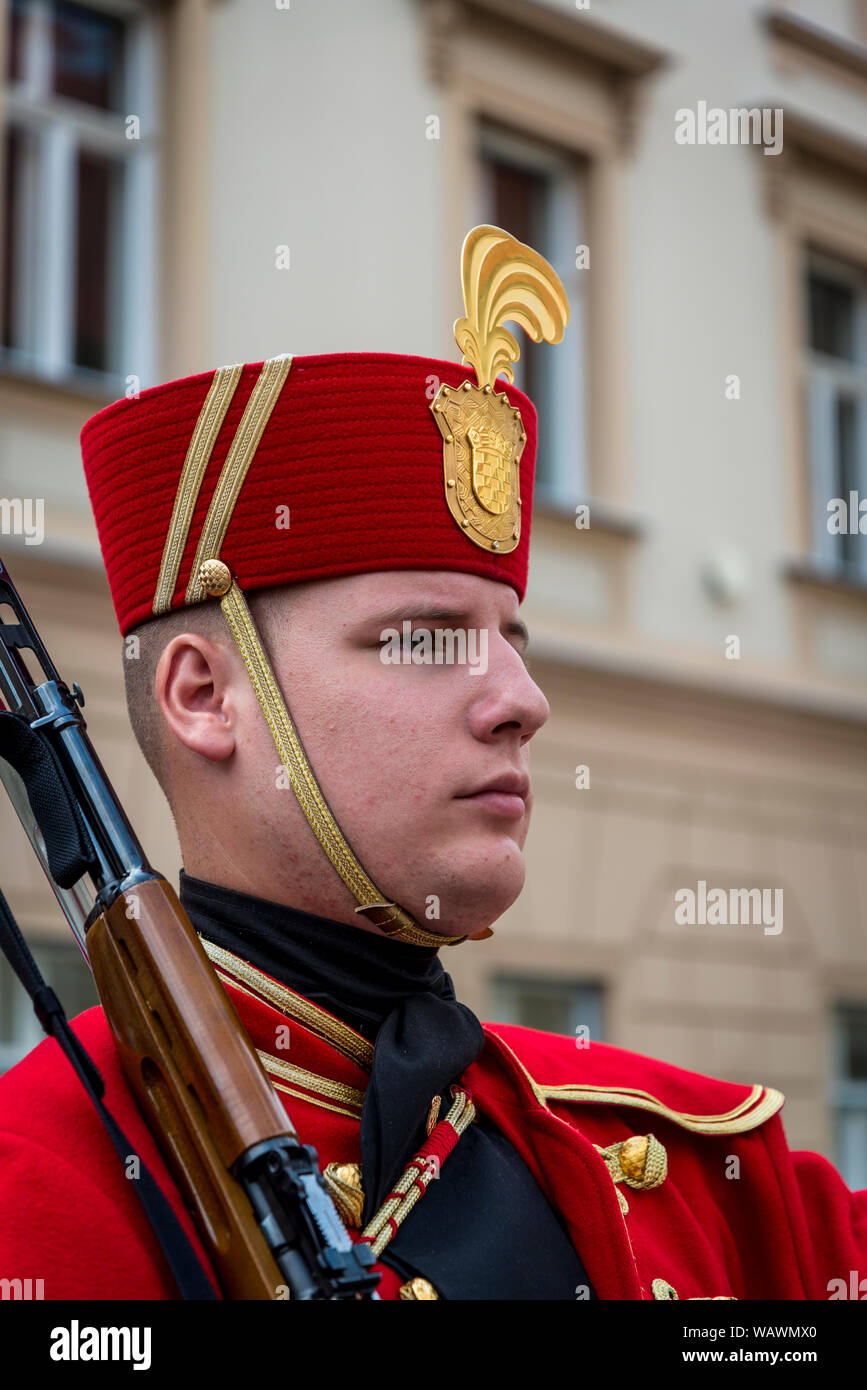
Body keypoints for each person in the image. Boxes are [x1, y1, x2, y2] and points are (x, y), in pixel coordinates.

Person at [0, 226, 863, 1302]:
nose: (522, 703)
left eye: (516, 640)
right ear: (202, 696)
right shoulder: (40, 1187)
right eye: (427, 639)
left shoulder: (709, 1173)